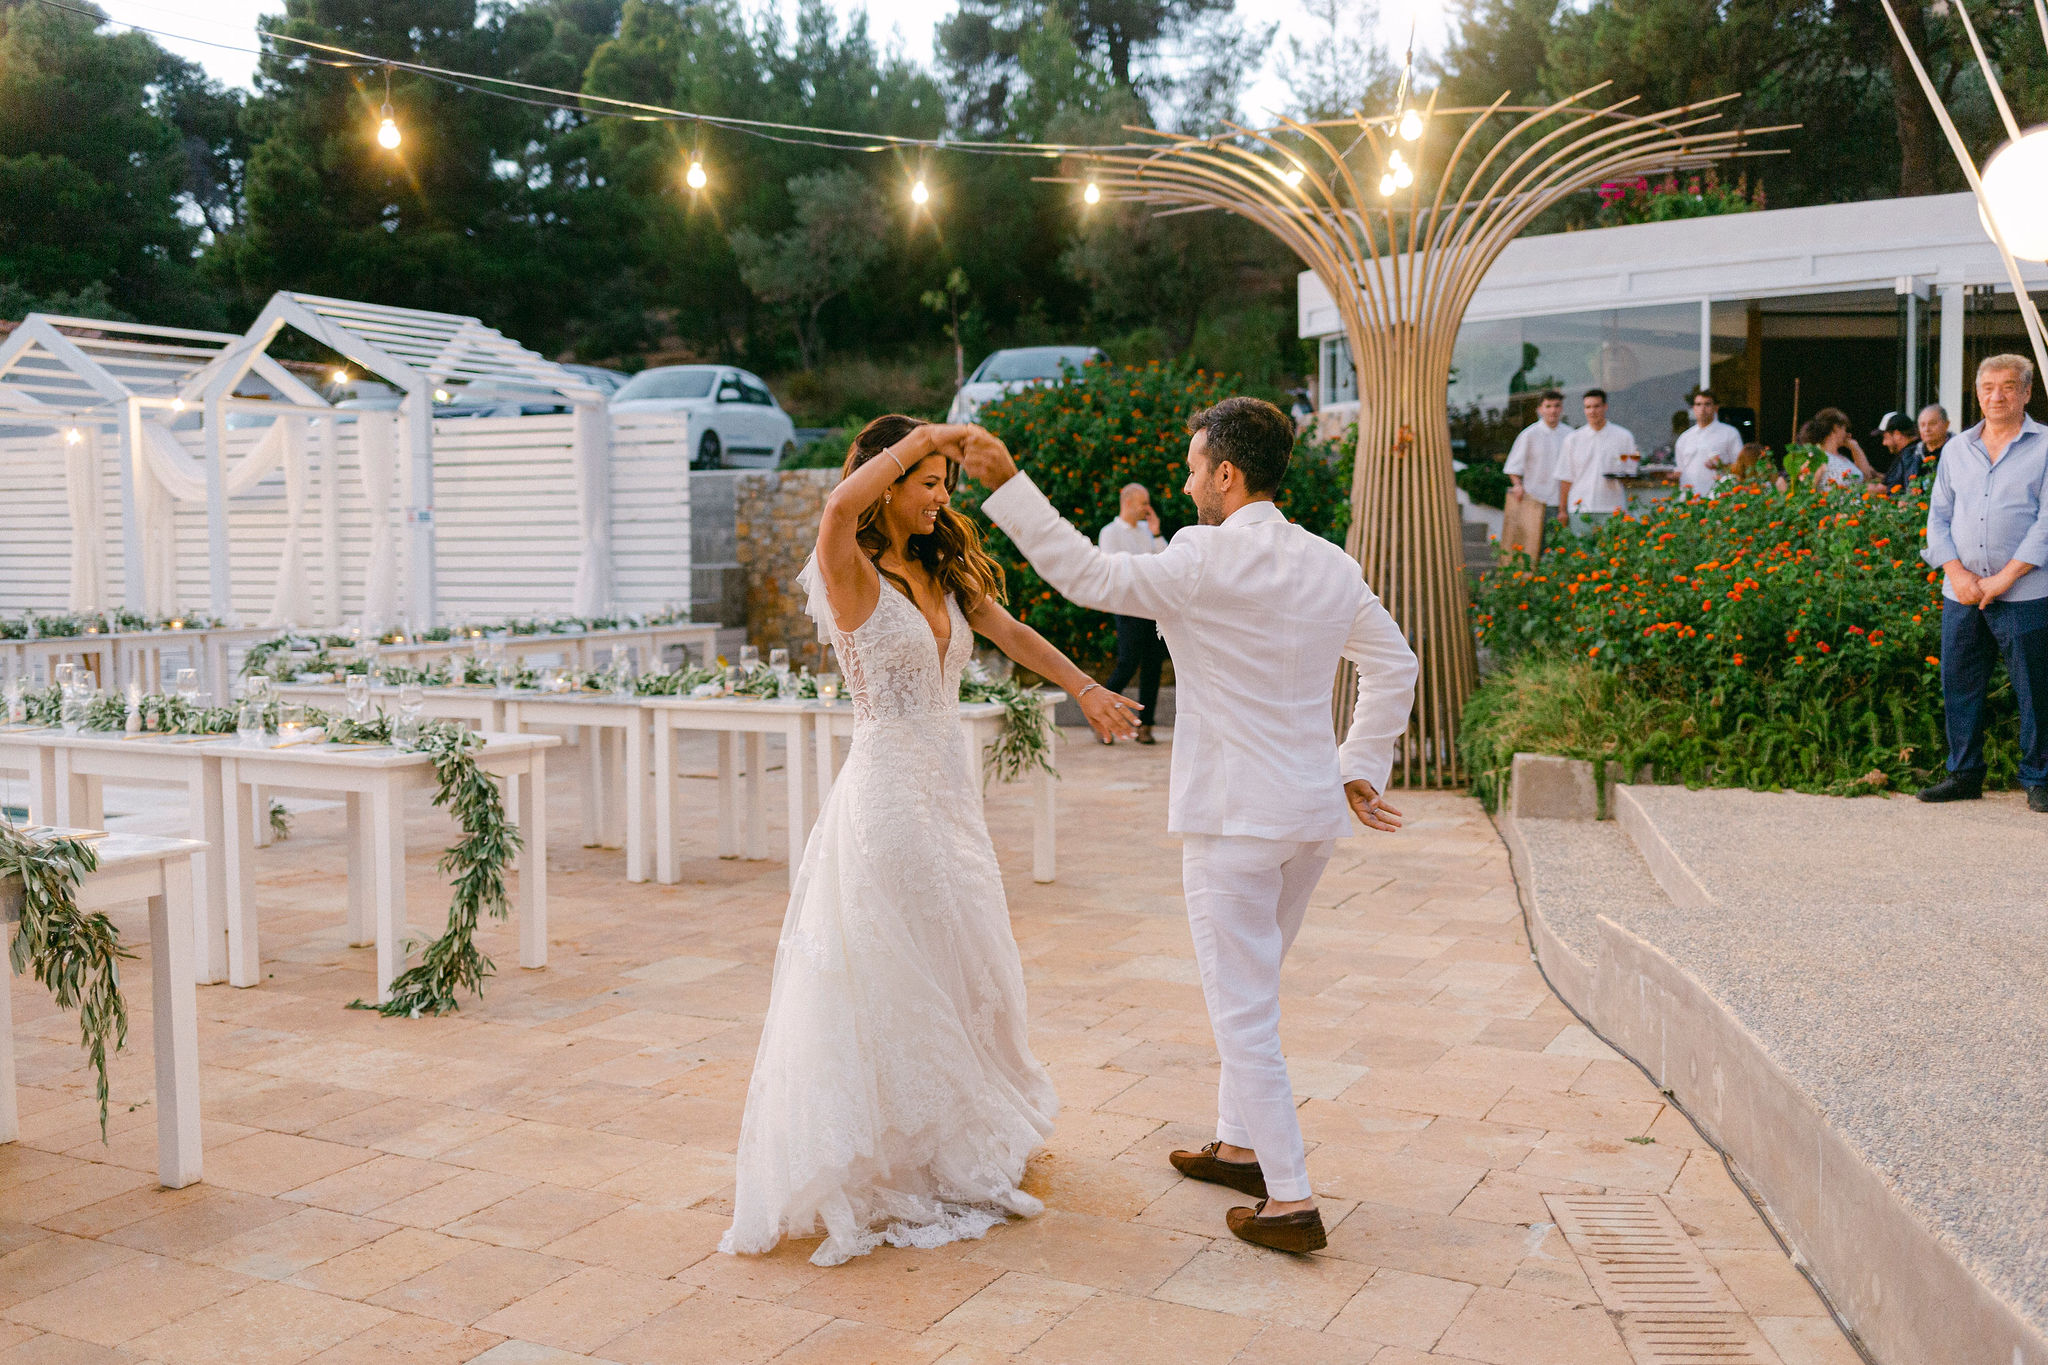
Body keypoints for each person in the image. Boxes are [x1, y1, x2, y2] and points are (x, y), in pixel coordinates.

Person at [958, 397, 1418, 1254]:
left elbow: (1088, 576)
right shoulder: (1329, 562)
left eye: (1193, 465)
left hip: (1234, 820)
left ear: (1227, 475)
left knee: (1241, 1007)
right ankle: (1240, 1145)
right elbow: (1397, 663)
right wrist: (1358, 766)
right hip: (1309, 817)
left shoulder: (1201, 556)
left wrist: (1007, 482)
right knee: (1256, 987)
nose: (1185, 479)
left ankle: (1291, 1197)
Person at [721, 417, 1138, 1267]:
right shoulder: (848, 564)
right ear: (888, 481)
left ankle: (961, 1131)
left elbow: (1013, 635)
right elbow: (838, 504)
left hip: (951, 799)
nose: (941, 494)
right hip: (888, 801)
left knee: (962, 959)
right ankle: (910, 1157)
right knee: (902, 969)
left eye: (947, 480)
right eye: (926, 480)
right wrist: (926, 436)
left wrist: (1085, 685)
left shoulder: (939, 566)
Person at [1917, 355, 2048, 813]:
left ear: (2027, 393)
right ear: (1977, 394)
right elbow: (1938, 519)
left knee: (2035, 689)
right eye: (1988, 386)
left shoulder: (2046, 446)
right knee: (1961, 684)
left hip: (2026, 593)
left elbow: (2046, 525)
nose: (1997, 395)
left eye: (2009, 386)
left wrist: (2004, 579)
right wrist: (1957, 574)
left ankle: (2038, 778)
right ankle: (1964, 774)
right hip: (1962, 593)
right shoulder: (1956, 450)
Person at [1100, 483, 1169, 744]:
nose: (1147, 508)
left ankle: (1146, 726)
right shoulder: (1110, 533)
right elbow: (1114, 568)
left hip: (1152, 608)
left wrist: (1156, 532)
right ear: (1127, 502)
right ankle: (1100, 718)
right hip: (1128, 608)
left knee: (1153, 666)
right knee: (1127, 664)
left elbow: (1164, 562)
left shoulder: (1146, 531)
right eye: (1143, 503)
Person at [1554, 389, 1640, 534]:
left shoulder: (1623, 436)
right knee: (1581, 555)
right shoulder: (1573, 439)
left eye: (1596, 406)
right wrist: (1562, 510)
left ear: (1605, 407)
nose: (1592, 411)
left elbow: (1630, 473)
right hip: (1580, 508)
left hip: (1612, 507)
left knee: (1613, 554)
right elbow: (1566, 478)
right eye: (1588, 407)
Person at [1501, 389, 1569, 558]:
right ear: (1540, 409)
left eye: (1556, 406)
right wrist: (1517, 485)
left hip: (1561, 504)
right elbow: (1513, 467)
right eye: (1548, 406)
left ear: (1561, 409)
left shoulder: (1570, 435)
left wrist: (1564, 507)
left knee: (1558, 550)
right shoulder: (1529, 435)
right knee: (1531, 551)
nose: (1553, 410)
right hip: (1534, 501)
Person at [1673, 389, 1744, 499]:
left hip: (1719, 498)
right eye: (1698, 404)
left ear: (1716, 407)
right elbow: (1680, 470)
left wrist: (1721, 466)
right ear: (1693, 408)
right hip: (1689, 499)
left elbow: (1740, 466)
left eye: (1707, 404)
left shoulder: (1729, 433)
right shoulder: (1685, 438)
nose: (1702, 409)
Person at [1800, 408, 1876, 489]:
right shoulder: (1818, 456)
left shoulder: (1844, 459)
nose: (1847, 434)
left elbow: (1867, 477)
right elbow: (1806, 488)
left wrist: (1855, 448)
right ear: (1836, 428)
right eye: (1844, 429)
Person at [1883, 403, 1950, 491]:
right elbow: (1893, 487)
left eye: (1932, 424)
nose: (1927, 429)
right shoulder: (1909, 455)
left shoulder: (1958, 452)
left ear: (1946, 424)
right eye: (1922, 425)